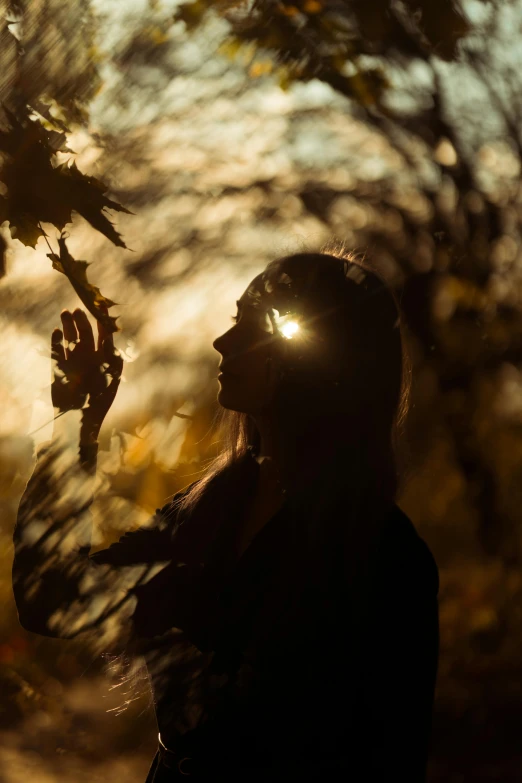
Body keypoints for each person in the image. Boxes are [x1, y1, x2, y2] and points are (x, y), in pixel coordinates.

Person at [12, 251, 439, 781]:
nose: (223, 341)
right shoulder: (202, 514)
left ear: (324, 359)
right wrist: (74, 425)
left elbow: (391, 759)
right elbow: (52, 600)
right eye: (236, 319)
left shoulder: (385, 557)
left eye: (256, 325)